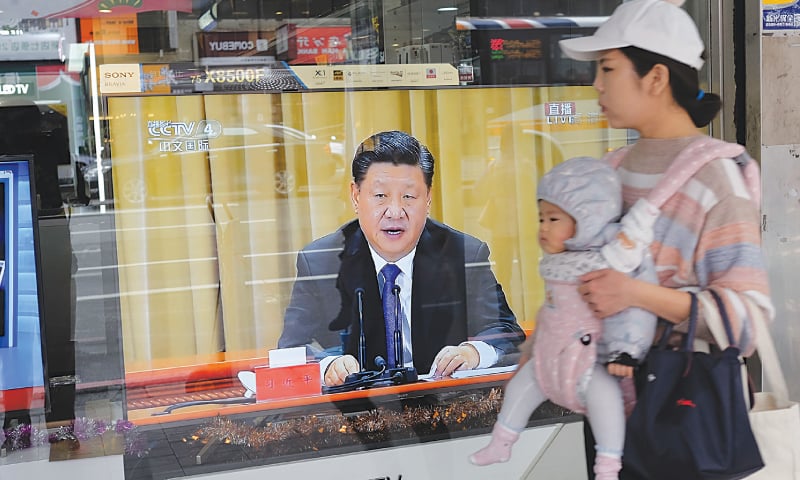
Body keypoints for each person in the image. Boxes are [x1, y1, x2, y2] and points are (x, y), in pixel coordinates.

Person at [556, 0, 773, 477]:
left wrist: (634, 294)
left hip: (681, 416)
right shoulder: (608, 171)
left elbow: (746, 323)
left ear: (655, 78)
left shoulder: (717, 179)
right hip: (610, 414)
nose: (596, 84)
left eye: (607, 68)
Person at [278, 130, 526, 386]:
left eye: (408, 196)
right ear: (355, 196)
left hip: (445, 408)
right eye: (380, 196)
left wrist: (472, 353)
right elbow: (291, 348)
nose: (395, 212)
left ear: (428, 198)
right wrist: (328, 365)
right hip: (357, 413)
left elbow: (505, 332)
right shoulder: (321, 261)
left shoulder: (462, 254)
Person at [469, 157, 658, 480]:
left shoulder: (610, 263)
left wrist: (626, 349)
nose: (543, 228)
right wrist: (534, 345)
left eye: (553, 219)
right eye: (541, 218)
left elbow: (633, 313)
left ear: (587, 219)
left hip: (588, 360)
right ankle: (502, 440)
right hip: (549, 358)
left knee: (606, 402)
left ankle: (609, 467)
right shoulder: (557, 265)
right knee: (520, 388)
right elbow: (550, 308)